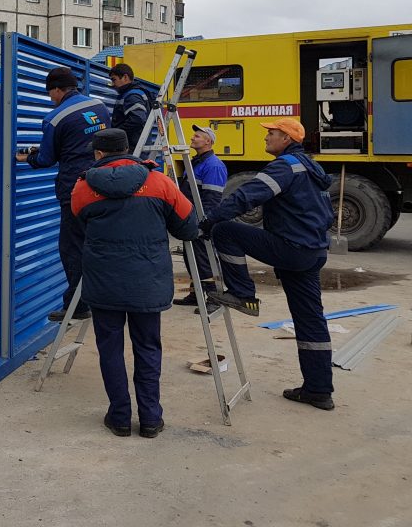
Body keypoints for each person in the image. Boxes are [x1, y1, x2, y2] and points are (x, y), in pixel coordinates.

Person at [71, 127, 198, 438]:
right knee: (148, 347)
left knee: (110, 350)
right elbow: (188, 227)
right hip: (147, 283)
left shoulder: (83, 187)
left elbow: (79, 223)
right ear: (128, 149)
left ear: (98, 154)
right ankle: (151, 418)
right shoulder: (160, 182)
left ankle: (119, 418)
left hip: (104, 283)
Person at [202, 118, 336, 411]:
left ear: (286, 139)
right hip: (312, 251)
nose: (266, 138)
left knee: (224, 231)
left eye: (271, 133)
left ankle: (242, 294)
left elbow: (247, 196)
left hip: (293, 248)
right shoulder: (312, 168)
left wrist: (209, 220)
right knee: (311, 320)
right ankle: (318, 391)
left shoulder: (285, 166)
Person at [15, 66, 111, 321]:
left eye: (50, 93)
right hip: (104, 183)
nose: (50, 98)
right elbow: (85, 143)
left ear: (57, 89)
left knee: (72, 247)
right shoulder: (99, 106)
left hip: (75, 189)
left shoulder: (55, 118)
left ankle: (78, 306)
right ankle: (102, 296)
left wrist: (28, 158)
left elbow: (46, 159)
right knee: (97, 243)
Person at [173, 125, 228, 313]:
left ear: (208, 141)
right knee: (192, 258)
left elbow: (212, 199)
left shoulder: (213, 165)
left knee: (204, 260)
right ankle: (196, 295)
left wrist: (204, 224)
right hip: (191, 218)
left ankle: (215, 298)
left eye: (197, 136)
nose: (192, 138)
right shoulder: (197, 162)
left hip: (201, 221)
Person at [109, 63, 152, 154]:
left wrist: (116, 134)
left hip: (133, 149)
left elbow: (137, 119)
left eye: (114, 79)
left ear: (125, 77)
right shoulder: (134, 93)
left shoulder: (132, 95)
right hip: (137, 147)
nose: (112, 84)